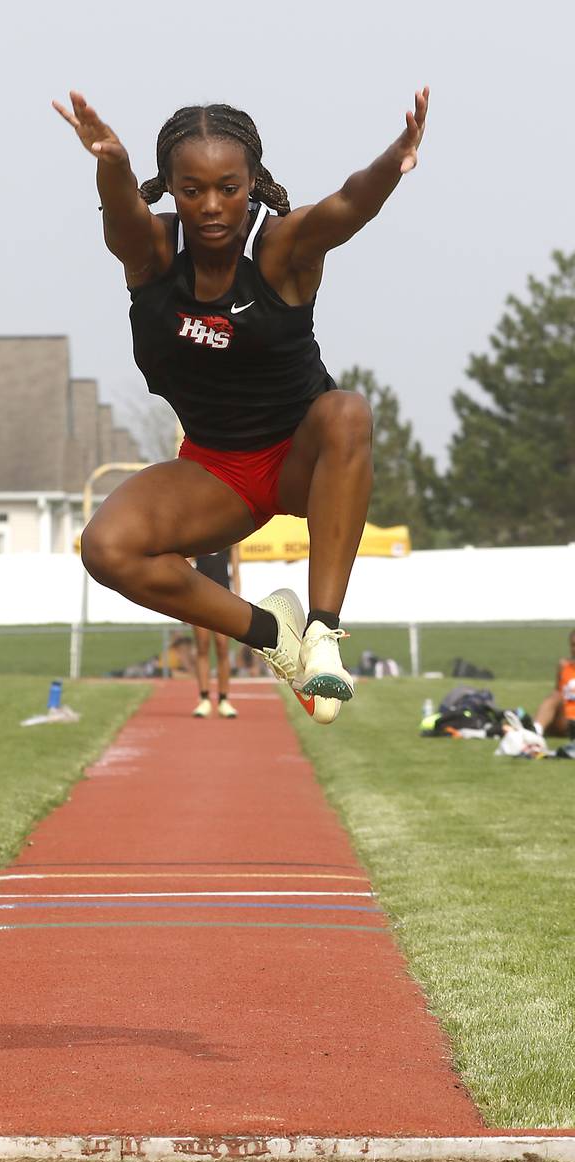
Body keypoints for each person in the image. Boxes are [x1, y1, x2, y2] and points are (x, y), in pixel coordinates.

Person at [53, 87, 429, 725]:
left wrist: (395, 159)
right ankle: (271, 634)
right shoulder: (152, 254)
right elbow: (120, 218)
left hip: (300, 459)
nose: (211, 206)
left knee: (347, 412)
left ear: (253, 182)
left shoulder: (278, 249)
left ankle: (321, 632)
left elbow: (346, 205)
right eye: (192, 189)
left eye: (228, 187)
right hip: (215, 471)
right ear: (169, 188)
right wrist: (110, 162)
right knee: (105, 549)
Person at [192, 546, 241, 718]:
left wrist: (238, 600)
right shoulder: (197, 534)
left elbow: (235, 569)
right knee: (202, 646)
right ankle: (204, 698)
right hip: (198, 597)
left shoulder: (231, 536)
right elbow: (185, 563)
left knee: (222, 646)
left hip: (223, 596)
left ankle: (224, 700)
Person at [534, 629, 575, 739]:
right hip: (564, 720)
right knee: (555, 696)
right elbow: (558, 693)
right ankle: (535, 731)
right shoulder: (564, 666)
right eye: (573, 645)